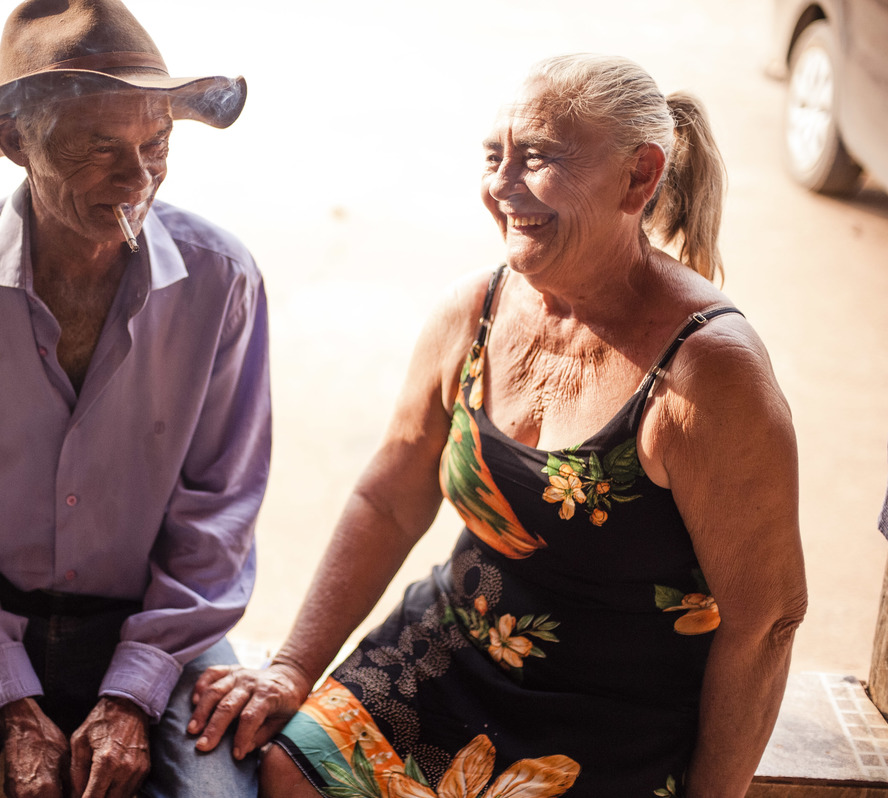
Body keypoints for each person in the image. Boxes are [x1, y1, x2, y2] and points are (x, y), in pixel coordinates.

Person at [189, 54, 807, 798]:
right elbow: (390, 496)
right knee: (293, 772)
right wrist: (292, 665)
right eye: (494, 156)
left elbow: (766, 623)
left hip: (611, 713)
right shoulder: (473, 310)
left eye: (537, 158)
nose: (502, 185)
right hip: (451, 649)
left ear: (640, 177)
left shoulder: (708, 375)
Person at [0, 2, 270, 797]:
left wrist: (134, 692)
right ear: (14, 142)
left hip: (159, 628)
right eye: (96, 148)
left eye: (156, 144)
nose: (137, 178)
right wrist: (7, 699)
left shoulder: (221, 279)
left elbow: (220, 509)